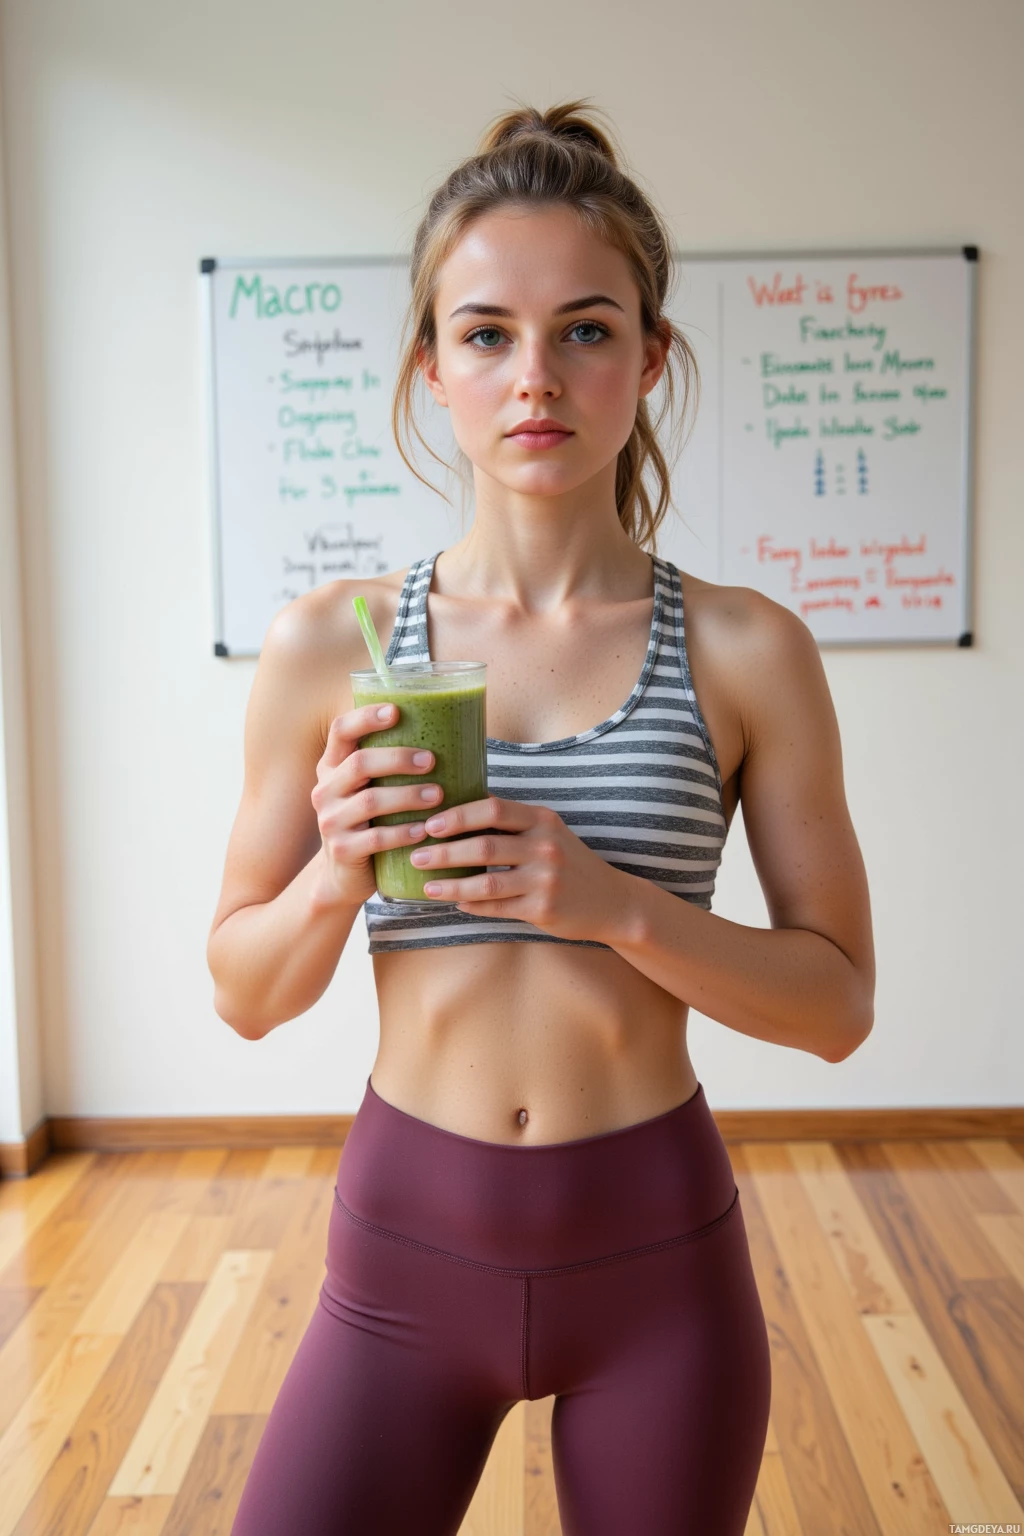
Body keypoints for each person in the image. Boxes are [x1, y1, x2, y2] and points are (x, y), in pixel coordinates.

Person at [210, 100, 875, 1536]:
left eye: (585, 329)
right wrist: (335, 871)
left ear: (650, 358)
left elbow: (835, 1008)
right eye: (487, 333)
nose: (536, 378)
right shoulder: (332, 645)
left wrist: (616, 905)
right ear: (431, 370)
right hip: (402, 1259)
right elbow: (243, 993)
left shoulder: (748, 651)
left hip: (657, 1268)